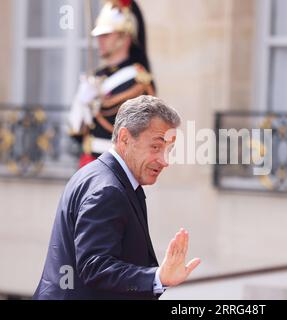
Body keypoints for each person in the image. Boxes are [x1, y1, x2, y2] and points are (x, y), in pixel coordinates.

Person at [34, 95, 201, 300]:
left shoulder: (104, 177)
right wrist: (158, 277)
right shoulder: (107, 190)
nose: (164, 160)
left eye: (169, 149)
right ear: (124, 138)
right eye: (156, 147)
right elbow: (95, 267)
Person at [69, 0, 155, 168]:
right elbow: (75, 131)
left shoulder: (138, 80)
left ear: (124, 37)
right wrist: (82, 103)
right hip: (88, 162)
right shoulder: (96, 76)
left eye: (106, 35)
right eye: (99, 35)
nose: (100, 40)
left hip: (116, 165)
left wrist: (96, 102)